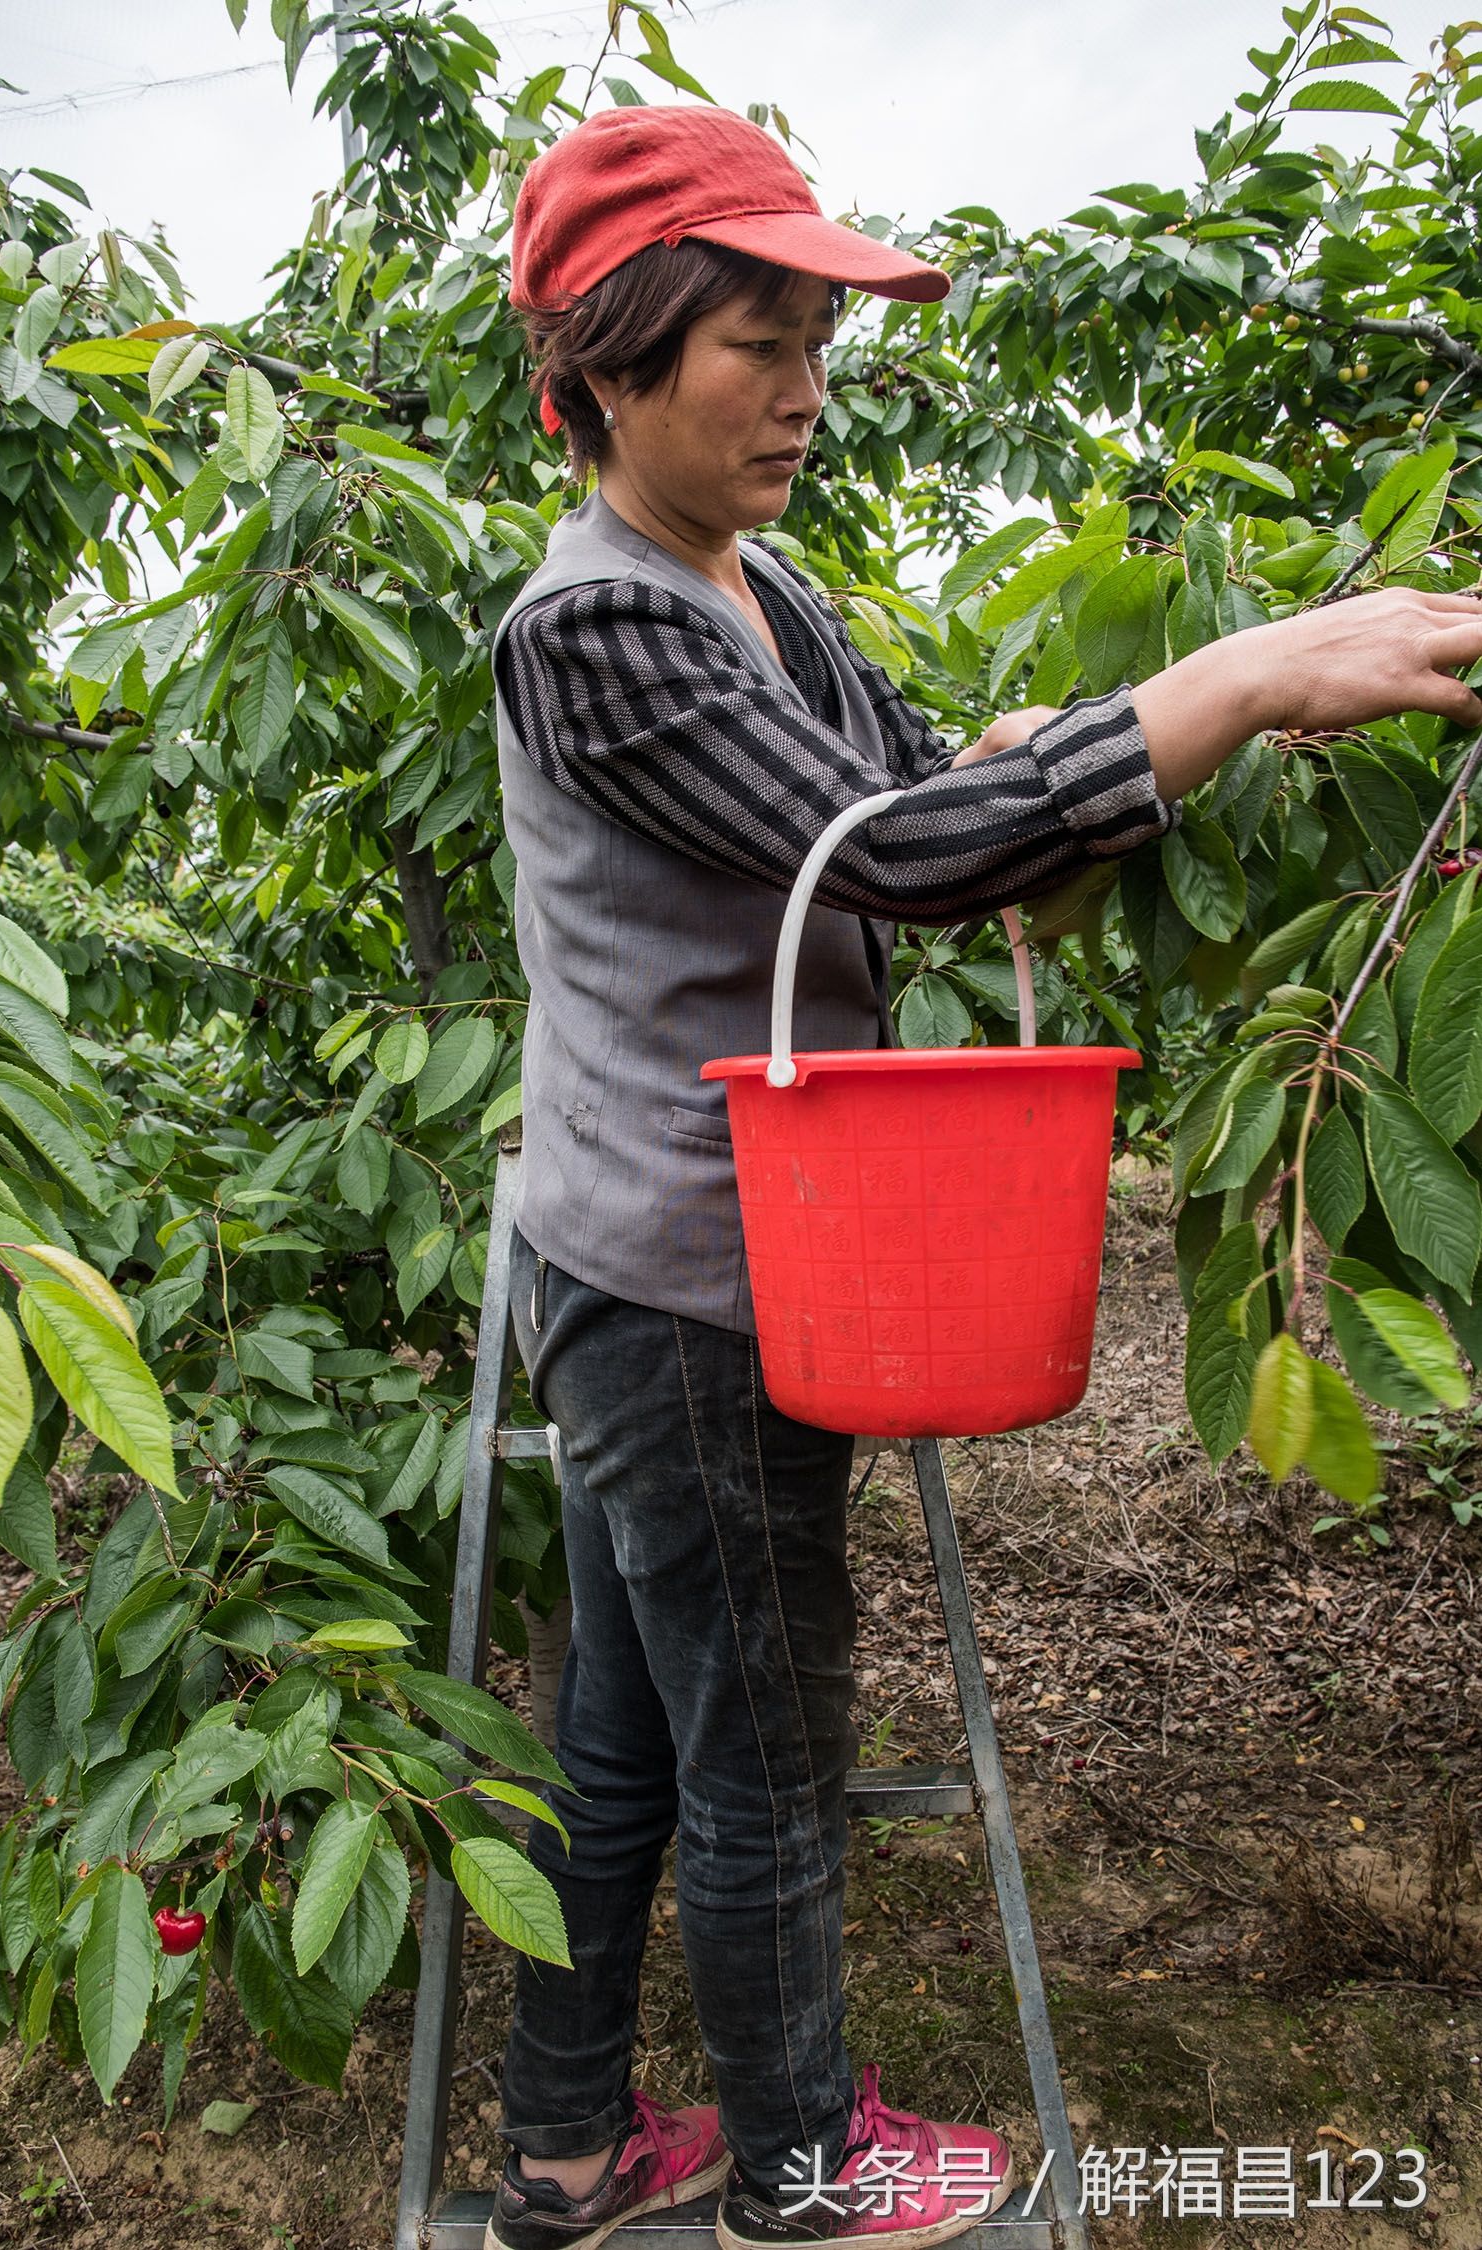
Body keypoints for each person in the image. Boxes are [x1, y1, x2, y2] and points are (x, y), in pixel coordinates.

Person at [481, 103, 1482, 2250]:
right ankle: (808, 2170)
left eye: (817, 340)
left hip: (685, 1251)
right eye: (756, 339)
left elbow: (920, 785)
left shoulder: (759, 588)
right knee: (762, 1761)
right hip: (691, 1288)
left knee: (633, 1751)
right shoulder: (596, 626)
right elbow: (912, 862)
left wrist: (1208, 710)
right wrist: (1231, 672)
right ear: (617, 361)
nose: (806, 390)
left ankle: (567, 2150)